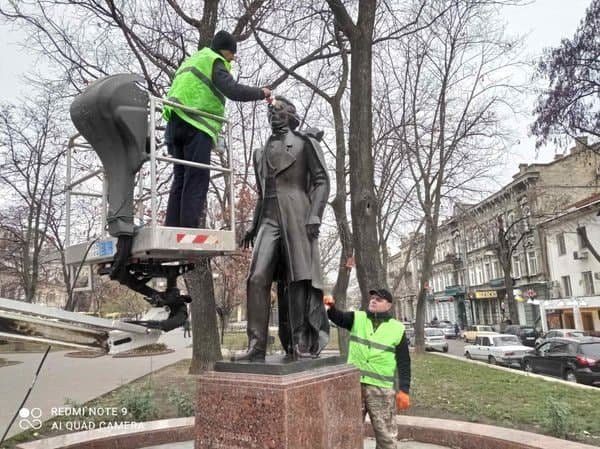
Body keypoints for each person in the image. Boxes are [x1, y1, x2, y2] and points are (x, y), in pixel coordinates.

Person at [234, 96, 330, 362]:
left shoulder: (304, 143)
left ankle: (299, 341)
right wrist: (253, 225)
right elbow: (261, 193)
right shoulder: (260, 153)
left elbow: (322, 181)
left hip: (297, 213)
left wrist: (315, 215)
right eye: (270, 111)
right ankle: (256, 347)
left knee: (297, 279)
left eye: (277, 110)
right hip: (268, 218)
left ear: (290, 115)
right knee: (256, 278)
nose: (272, 114)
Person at [163, 30, 272, 228]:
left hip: (174, 122)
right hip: (196, 124)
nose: (233, 58)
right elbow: (233, 90)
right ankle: (188, 230)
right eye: (232, 53)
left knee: (180, 178)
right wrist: (261, 92)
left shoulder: (194, 59)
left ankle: (172, 228)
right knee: (197, 177)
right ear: (225, 50)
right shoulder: (214, 61)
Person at [324, 288, 411, 449]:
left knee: (386, 438)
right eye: (372, 298)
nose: (373, 300)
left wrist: (404, 390)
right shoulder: (357, 318)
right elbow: (338, 317)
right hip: (353, 386)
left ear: (388, 305)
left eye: (379, 299)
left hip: (381, 390)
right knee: (347, 433)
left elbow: (404, 361)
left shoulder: (397, 328)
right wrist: (330, 307)